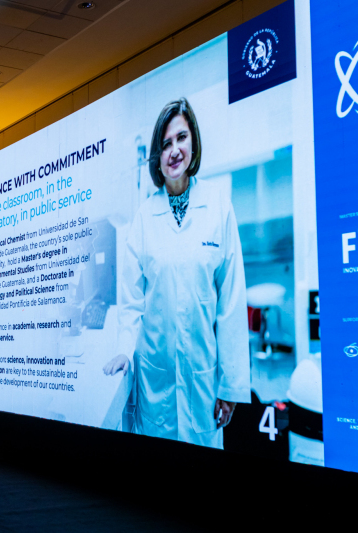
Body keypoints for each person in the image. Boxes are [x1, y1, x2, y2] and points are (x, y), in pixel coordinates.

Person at [103, 98, 250, 450]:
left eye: (181, 139)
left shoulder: (218, 207)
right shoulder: (143, 218)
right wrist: (124, 349)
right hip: (156, 380)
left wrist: (229, 388)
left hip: (203, 381)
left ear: (193, 142)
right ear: (157, 154)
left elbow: (230, 303)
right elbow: (131, 303)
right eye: (166, 143)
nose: (174, 150)